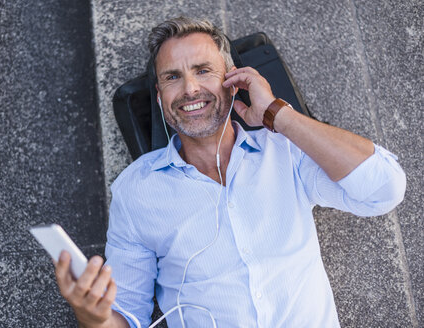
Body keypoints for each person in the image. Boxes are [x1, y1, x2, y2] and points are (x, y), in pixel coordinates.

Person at [54, 17, 406, 328]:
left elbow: (384, 189)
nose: (190, 88)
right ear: (160, 99)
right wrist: (93, 316)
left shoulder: (284, 150)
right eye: (173, 77)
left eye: (203, 70)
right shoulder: (136, 191)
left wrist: (277, 114)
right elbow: (126, 318)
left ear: (233, 81)